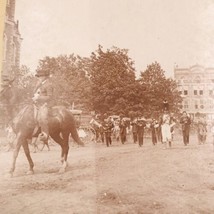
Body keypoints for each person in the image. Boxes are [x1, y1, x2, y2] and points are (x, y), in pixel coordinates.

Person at [32, 70, 53, 141]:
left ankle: (45, 134)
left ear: (45, 77)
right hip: (36, 104)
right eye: (38, 76)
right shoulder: (39, 84)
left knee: (43, 118)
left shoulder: (49, 85)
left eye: (40, 76)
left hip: (45, 105)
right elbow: (34, 93)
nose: (39, 78)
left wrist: (38, 98)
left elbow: (50, 97)